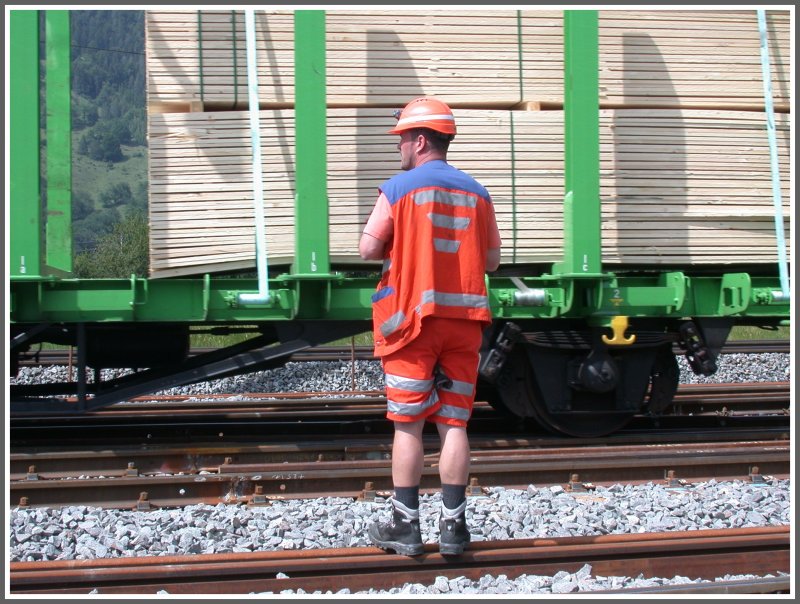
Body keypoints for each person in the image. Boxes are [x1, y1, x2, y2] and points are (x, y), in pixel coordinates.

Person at [359, 97, 502, 556]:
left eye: (402, 137)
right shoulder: (478, 192)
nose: (399, 146)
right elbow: (493, 261)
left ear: (420, 140)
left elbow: (366, 249)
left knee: (407, 424)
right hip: (464, 325)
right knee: (454, 422)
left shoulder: (399, 189)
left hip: (412, 325)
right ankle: (454, 531)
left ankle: (406, 527)